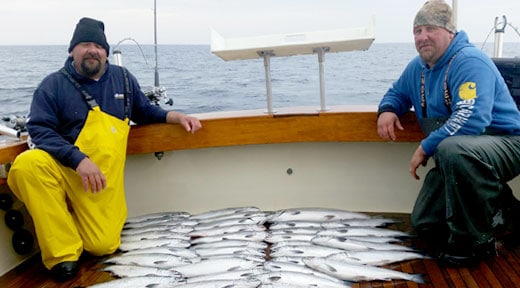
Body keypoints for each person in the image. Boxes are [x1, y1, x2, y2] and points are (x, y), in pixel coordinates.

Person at [7, 17, 202, 281]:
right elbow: (39, 130)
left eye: (98, 46)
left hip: (99, 183)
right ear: (72, 51)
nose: (92, 50)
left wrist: (175, 117)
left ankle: (69, 220)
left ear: (106, 52)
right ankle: (63, 255)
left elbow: (144, 111)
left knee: (102, 246)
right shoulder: (52, 85)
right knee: (27, 165)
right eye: (85, 44)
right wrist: (78, 160)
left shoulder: (122, 79)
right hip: (65, 169)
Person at [377, 0, 520, 266]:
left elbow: (472, 118)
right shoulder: (417, 68)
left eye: (430, 29)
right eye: (417, 31)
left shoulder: (469, 61)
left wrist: (424, 147)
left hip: (508, 144)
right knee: (425, 222)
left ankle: (475, 243)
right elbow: (397, 92)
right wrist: (387, 109)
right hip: (462, 156)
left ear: (450, 32)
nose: (422, 37)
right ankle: (510, 213)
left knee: (451, 149)